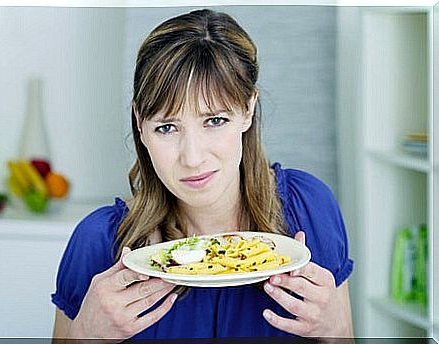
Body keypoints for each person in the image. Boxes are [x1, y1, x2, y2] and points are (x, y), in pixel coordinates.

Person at [51, 9, 354, 340]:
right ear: (140, 124)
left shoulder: (309, 208)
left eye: (214, 121)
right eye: (167, 127)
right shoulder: (98, 242)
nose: (192, 158)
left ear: (248, 109)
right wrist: (83, 336)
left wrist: (336, 331)